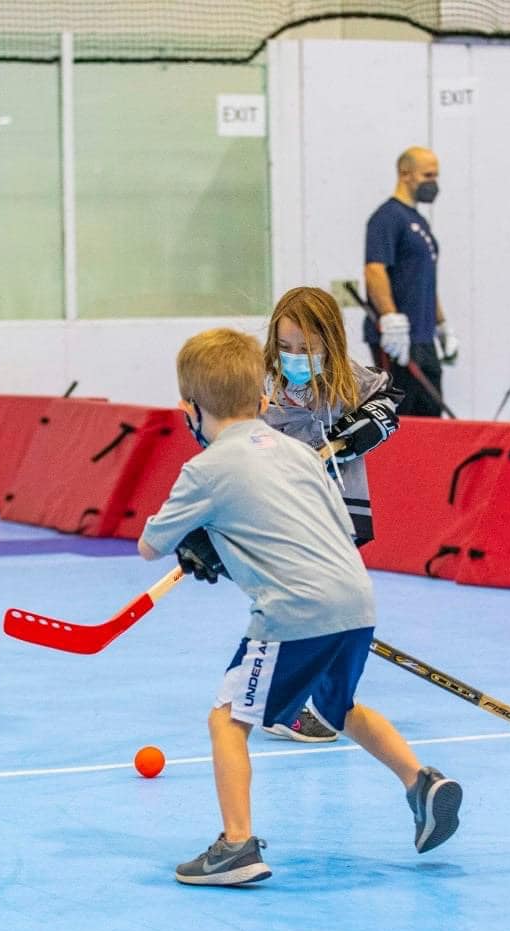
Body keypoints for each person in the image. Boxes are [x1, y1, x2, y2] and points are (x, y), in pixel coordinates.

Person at [138, 328, 462, 886]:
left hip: (291, 613)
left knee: (228, 717)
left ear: (188, 410)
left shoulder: (205, 469)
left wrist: (201, 539)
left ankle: (237, 845)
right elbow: (334, 526)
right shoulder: (298, 452)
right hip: (357, 600)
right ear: (263, 401)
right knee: (338, 707)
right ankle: (420, 782)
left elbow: (151, 544)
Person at [257, 285, 404, 744]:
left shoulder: (350, 381)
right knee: (295, 606)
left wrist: (367, 426)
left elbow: (389, 404)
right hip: (282, 515)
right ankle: (288, 703)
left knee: (336, 607)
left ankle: (324, 700)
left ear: (330, 345)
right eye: (285, 348)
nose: (295, 357)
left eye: (307, 348)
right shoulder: (259, 385)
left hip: (340, 511)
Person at [364, 146, 457, 417]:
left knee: (431, 418)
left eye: (436, 176)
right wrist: (391, 319)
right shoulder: (387, 218)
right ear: (405, 174)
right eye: (428, 175)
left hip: (423, 336)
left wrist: (442, 326)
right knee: (404, 419)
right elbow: (374, 270)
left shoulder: (419, 222)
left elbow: (427, 280)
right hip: (398, 340)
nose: (433, 183)